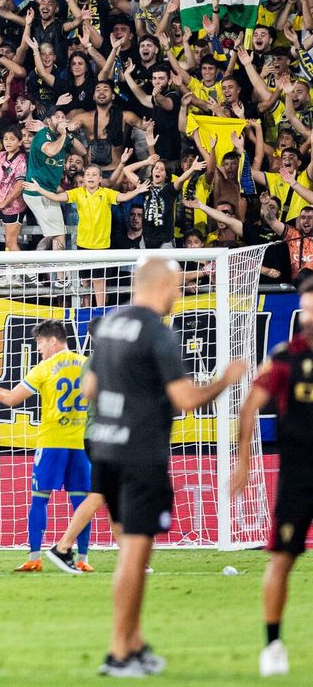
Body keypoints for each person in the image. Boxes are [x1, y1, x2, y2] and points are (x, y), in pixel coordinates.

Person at [85, 258, 247, 676]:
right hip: (140, 453)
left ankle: (134, 645)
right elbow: (186, 400)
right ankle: (118, 652)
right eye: (176, 286)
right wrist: (226, 380)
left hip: (104, 448)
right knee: (135, 557)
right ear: (163, 284)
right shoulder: (158, 331)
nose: (178, 294)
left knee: (129, 553)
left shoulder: (107, 324)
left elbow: (90, 387)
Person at [232, 273, 313, 678]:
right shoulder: (285, 356)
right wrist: (244, 462)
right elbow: (250, 406)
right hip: (298, 475)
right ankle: (273, 644)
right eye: (308, 308)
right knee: (281, 559)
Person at [0, 320, 93, 573]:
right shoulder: (87, 364)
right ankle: (83, 559)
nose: (39, 350)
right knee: (81, 502)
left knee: (39, 500)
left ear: (52, 341)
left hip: (52, 442)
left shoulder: (44, 367)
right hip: (81, 443)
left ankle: (35, 557)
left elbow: (12, 399)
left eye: (40, 344)